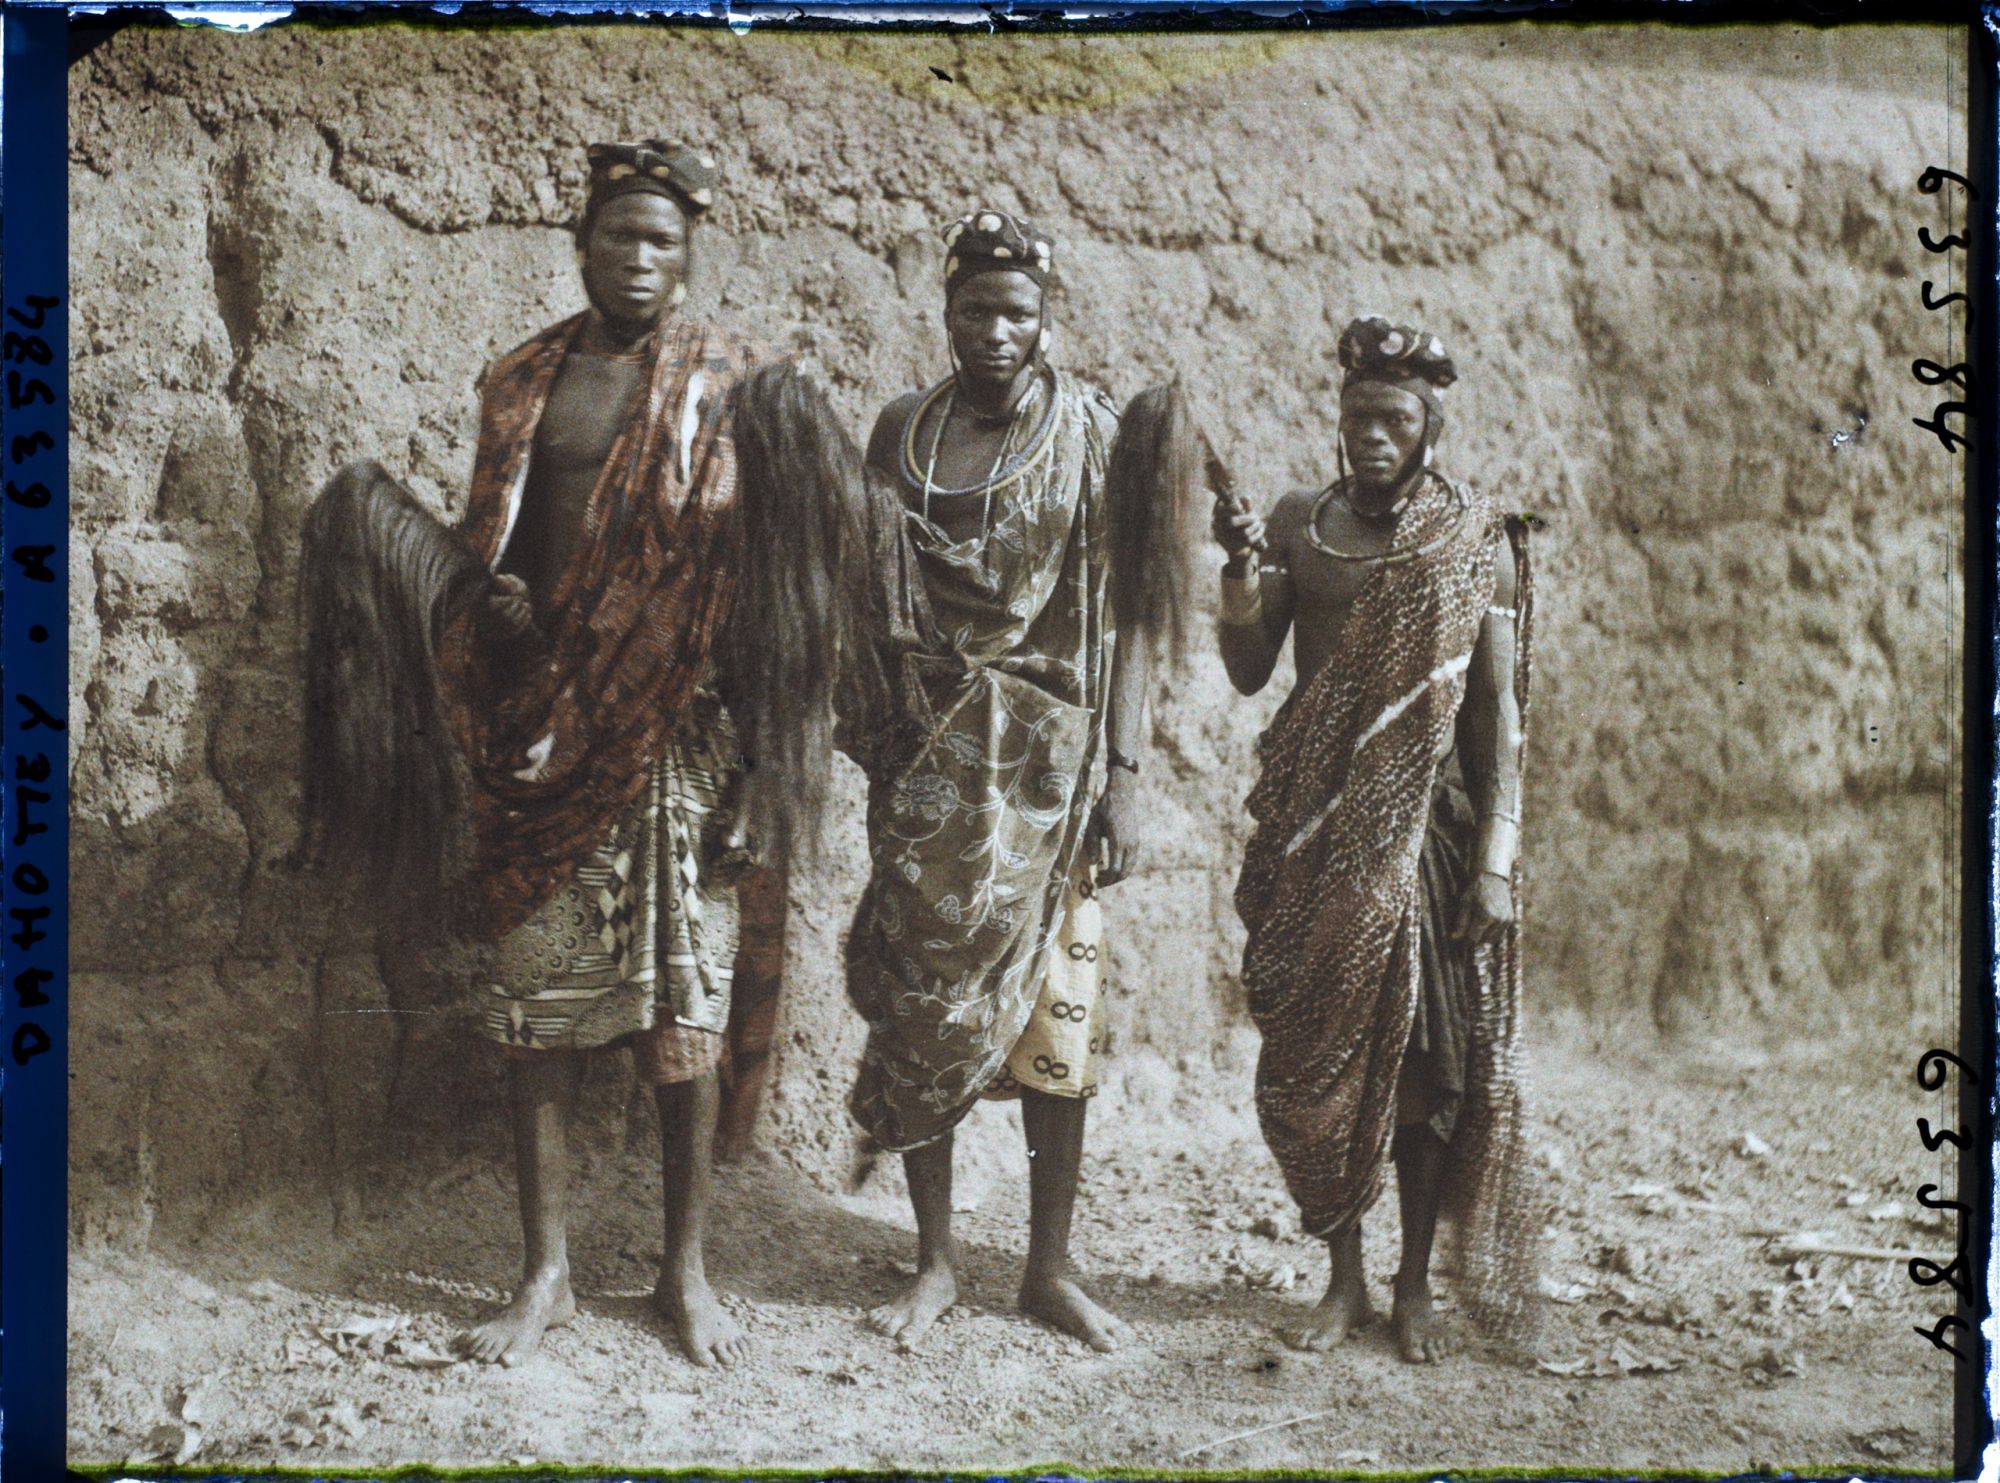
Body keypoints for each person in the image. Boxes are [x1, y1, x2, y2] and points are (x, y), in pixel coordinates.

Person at [437, 139, 768, 1370]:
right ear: (581, 243)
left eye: (662, 241)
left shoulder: (732, 384)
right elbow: (491, 546)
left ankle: (684, 1275)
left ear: (688, 260)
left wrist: (761, 768)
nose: (638, 258)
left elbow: (772, 591)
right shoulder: (523, 380)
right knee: (538, 1010)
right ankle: (546, 1276)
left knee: (683, 1009)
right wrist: (500, 607)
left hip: (682, 732)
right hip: (544, 728)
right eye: (618, 235)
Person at [842, 208, 1153, 1354]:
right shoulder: (899, 432)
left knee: (1053, 1021)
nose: (994, 329)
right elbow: (868, 599)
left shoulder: (1094, 435)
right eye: (975, 307)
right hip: (928, 763)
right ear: (945, 312)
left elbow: (1128, 619)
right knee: (926, 1010)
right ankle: (932, 1261)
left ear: (1044, 320)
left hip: (1047, 771)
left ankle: (1048, 1265)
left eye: (1015, 311)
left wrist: (1122, 772)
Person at [1215, 315, 1539, 1364]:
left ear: (1427, 429)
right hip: (1315, 837)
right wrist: (1238, 569)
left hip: (1424, 841)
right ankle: (1341, 1280)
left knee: (1422, 1073)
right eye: (1357, 416)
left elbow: (1496, 726)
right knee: (1321, 1062)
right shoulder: (1299, 525)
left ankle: (1410, 1291)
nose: (1370, 435)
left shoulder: (1468, 545)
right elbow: (1247, 668)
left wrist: (1493, 863)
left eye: (1393, 419)